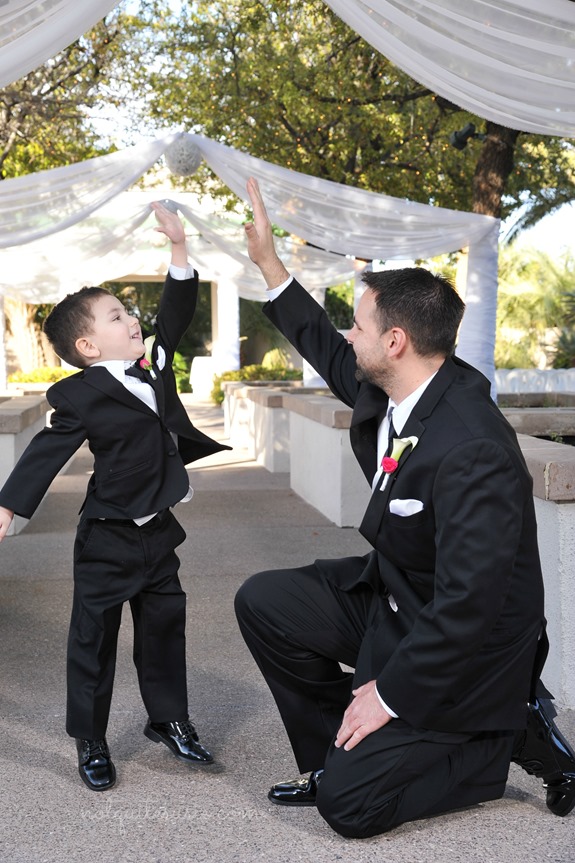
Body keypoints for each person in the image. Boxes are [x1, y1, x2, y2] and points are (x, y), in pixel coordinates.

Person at [234, 177, 575, 838]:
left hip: (465, 646)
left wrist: (390, 696)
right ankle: (335, 756)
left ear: (393, 341)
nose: (346, 334)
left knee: (351, 810)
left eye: (356, 324)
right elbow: (327, 347)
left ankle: (494, 741)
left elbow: (468, 606)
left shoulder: (471, 445)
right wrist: (269, 264)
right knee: (264, 602)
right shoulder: (400, 388)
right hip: (395, 598)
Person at [0, 202, 229, 792]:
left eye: (128, 311)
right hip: (107, 536)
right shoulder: (79, 395)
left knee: (163, 627)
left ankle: (169, 719)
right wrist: (9, 503)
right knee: (93, 640)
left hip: (159, 531)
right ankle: (91, 738)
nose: (131, 320)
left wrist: (178, 250)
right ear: (87, 346)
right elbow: (48, 449)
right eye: (115, 316)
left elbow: (174, 314)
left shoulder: (151, 367)